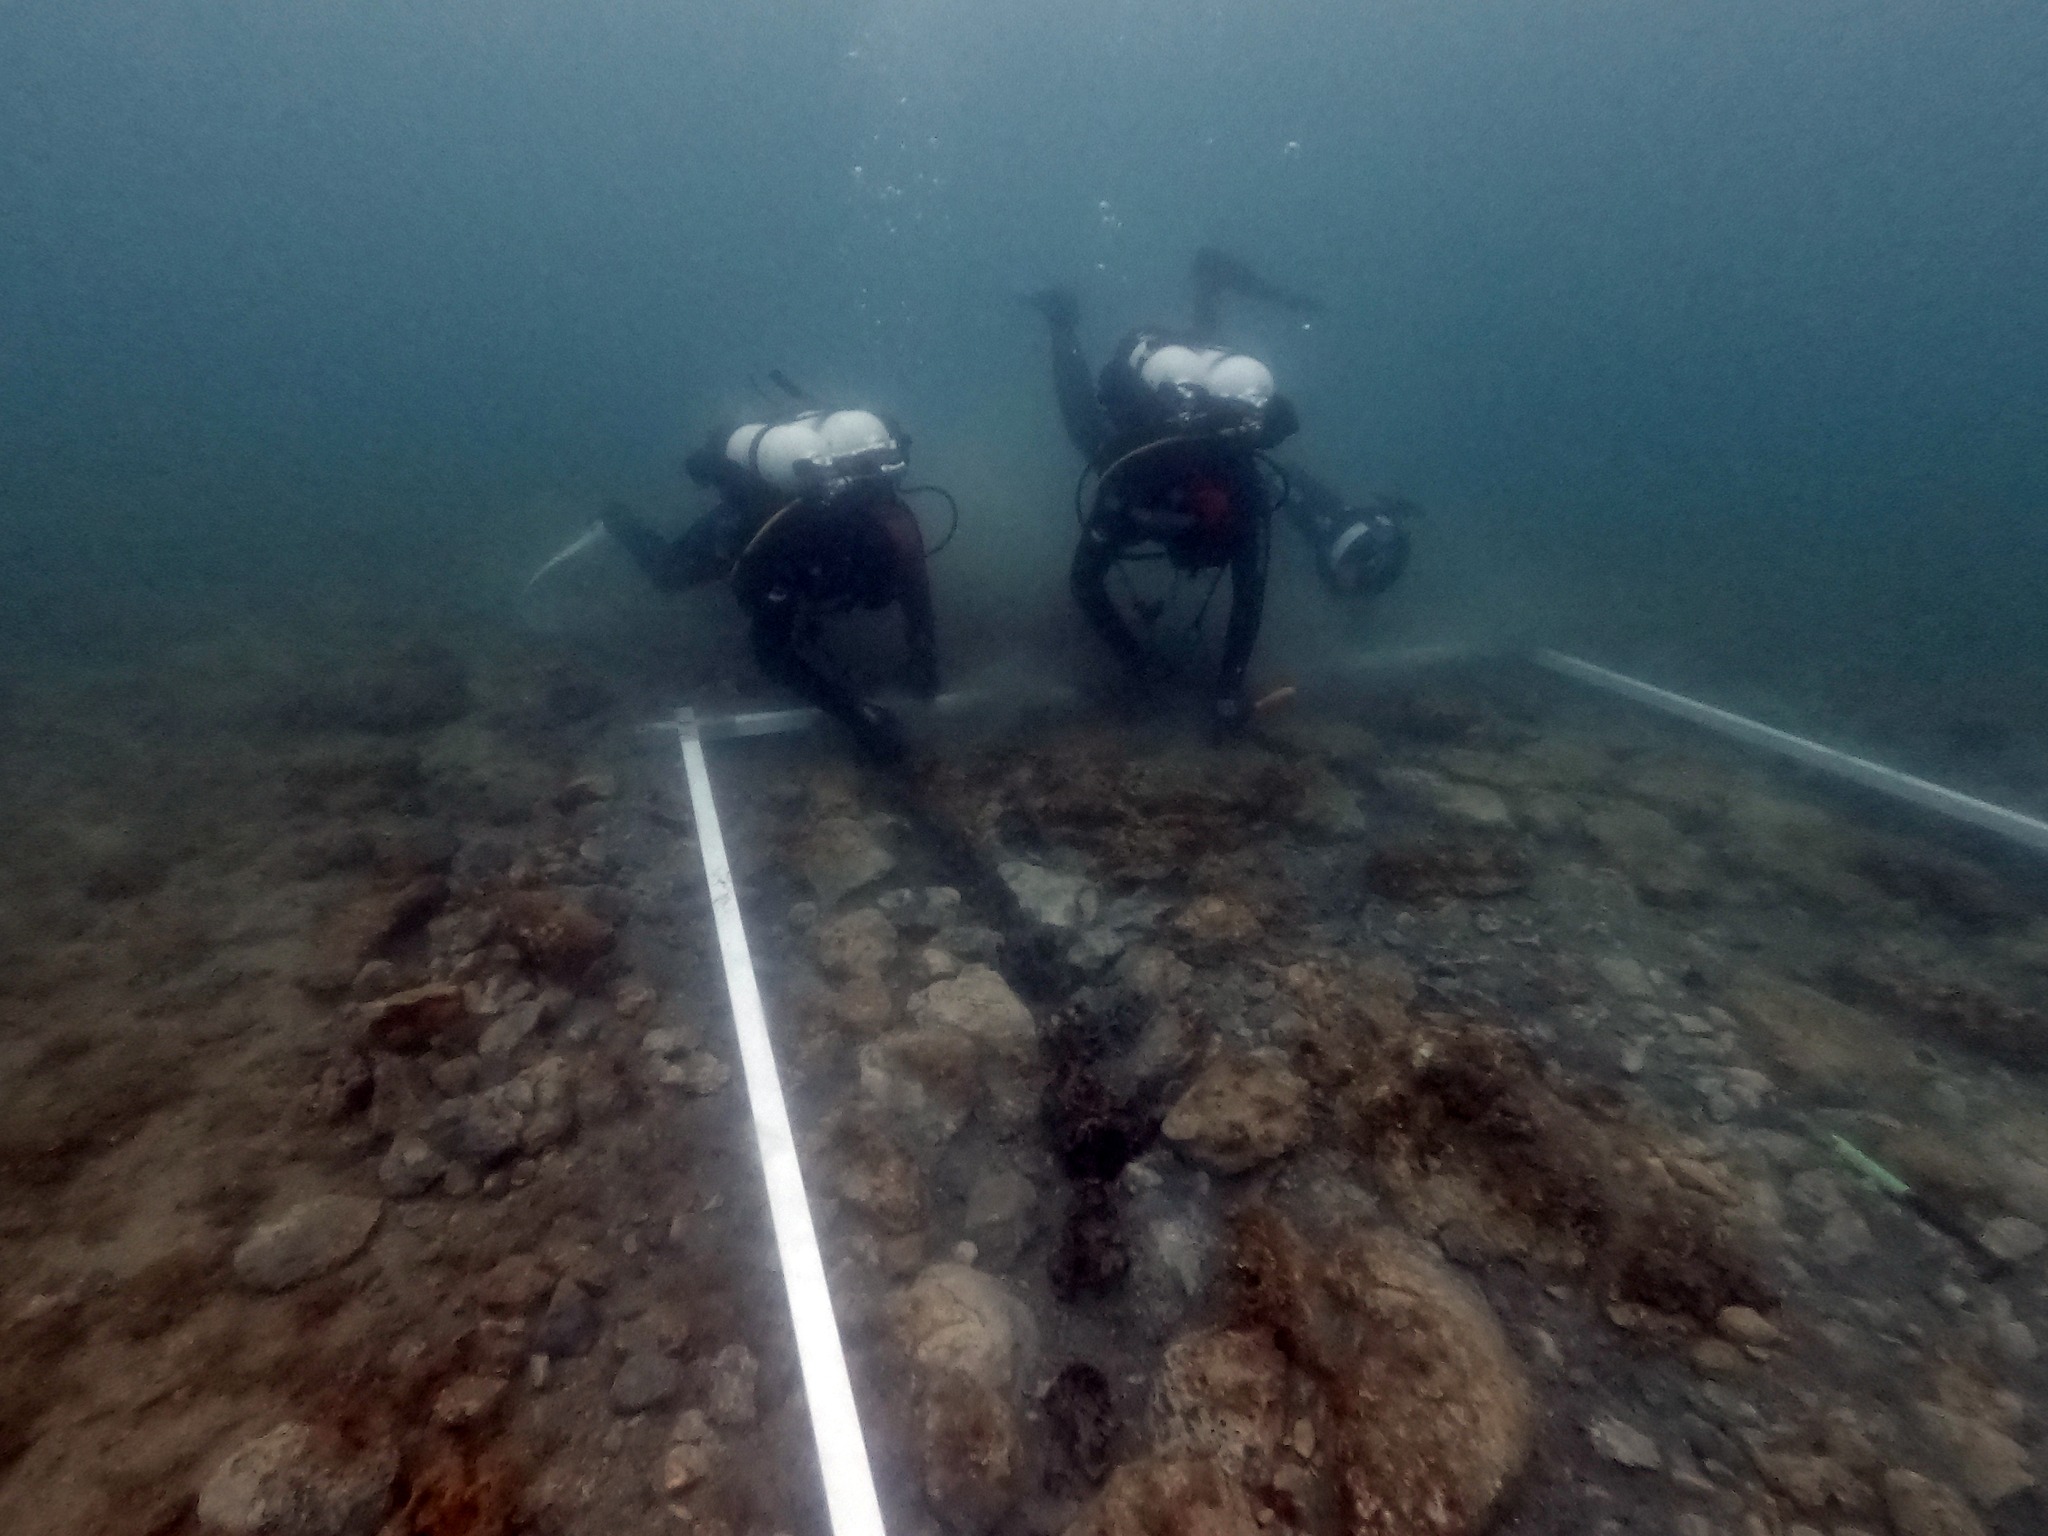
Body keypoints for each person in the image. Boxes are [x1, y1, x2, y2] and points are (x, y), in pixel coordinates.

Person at [1028, 250, 1414, 732]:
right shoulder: (1136, 483)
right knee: (1088, 431)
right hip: (1157, 417)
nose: (1203, 564)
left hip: (1188, 391)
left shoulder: (1248, 499)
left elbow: (1248, 602)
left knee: (1207, 389)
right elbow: (1083, 582)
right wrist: (1138, 662)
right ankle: (1063, 321)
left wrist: (1228, 686)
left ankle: (1204, 290)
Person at [603, 405, 939, 764]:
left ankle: (810, 609)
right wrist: (854, 714)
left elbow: (914, 584)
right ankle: (612, 518)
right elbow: (770, 651)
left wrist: (923, 655)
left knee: (815, 600)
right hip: (759, 532)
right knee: (668, 575)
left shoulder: (892, 522)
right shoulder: (785, 540)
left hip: (813, 552)